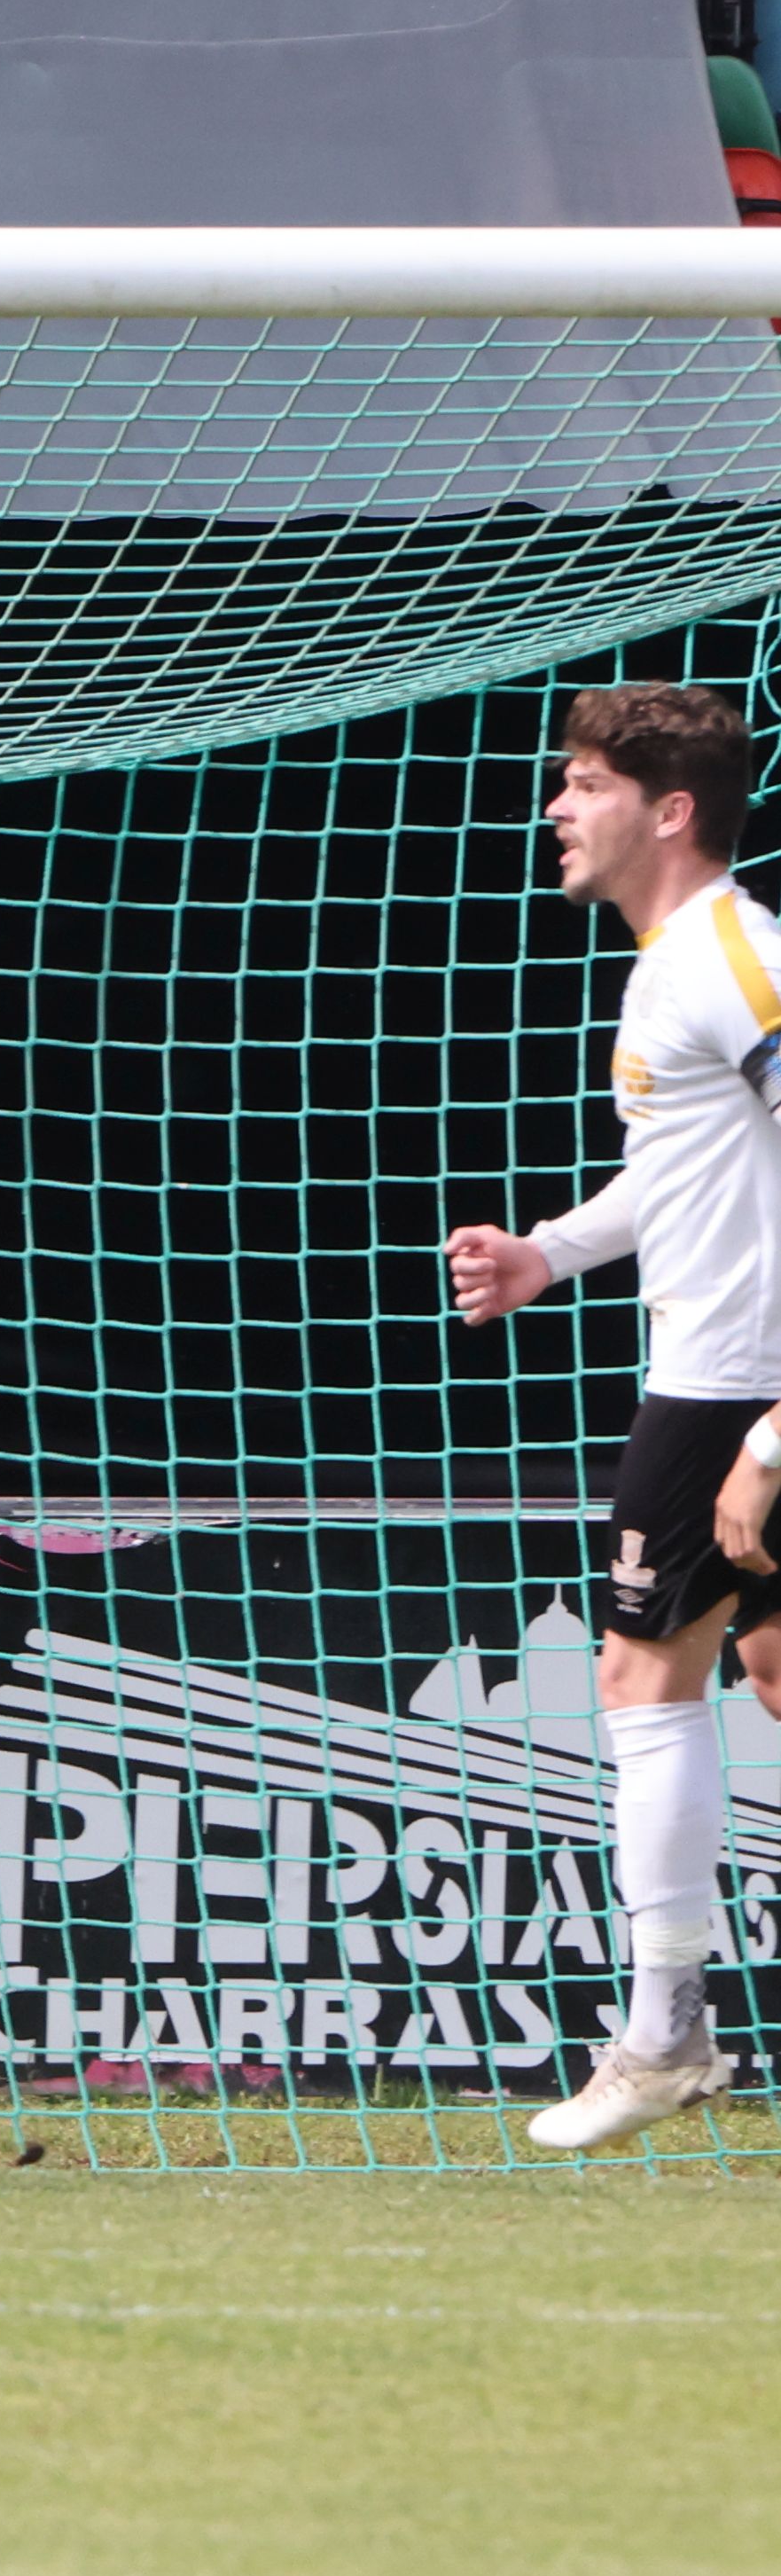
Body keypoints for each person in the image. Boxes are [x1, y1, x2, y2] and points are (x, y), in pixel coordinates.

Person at [449, 681, 781, 2152]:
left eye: (580, 786)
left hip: (737, 1389)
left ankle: (664, 2037)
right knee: (760, 1679)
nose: (556, 811)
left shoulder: (733, 961)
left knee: (645, 1683)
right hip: (719, 1378)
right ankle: (667, 2033)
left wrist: (773, 1437)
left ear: (671, 809)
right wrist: (546, 1257)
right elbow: (685, 1175)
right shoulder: (671, 972)